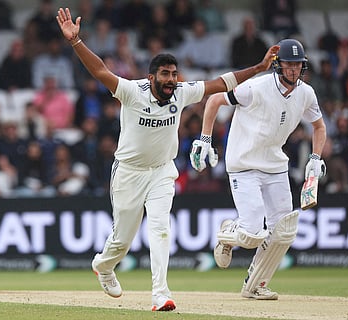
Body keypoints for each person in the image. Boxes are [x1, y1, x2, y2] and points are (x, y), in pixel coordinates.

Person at [56, 7, 279, 311]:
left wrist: (259, 67)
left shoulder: (181, 93)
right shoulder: (133, 91)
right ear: (152, 77)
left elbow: (220, 83)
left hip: (162, 171)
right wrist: (75, 42)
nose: (172, 79)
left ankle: (160, 294)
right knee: (122, 240)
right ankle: (103, 265)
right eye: (165, 74)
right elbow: (100, 72)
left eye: (174, 74)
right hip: (129, 173)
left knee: (161, 229)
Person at [190, 39, 326, 300]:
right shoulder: (256, 88)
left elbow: (319, 127)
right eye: (289, 64)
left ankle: (255, 285)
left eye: (298, 65)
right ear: (279, 65)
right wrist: (205, 139)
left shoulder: (306, 93)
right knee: (252, 233)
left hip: (275, 165)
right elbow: (215, 100)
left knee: (283, 231)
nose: (293, 70)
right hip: (243, 164)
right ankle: (228, 233)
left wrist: (315, 157)